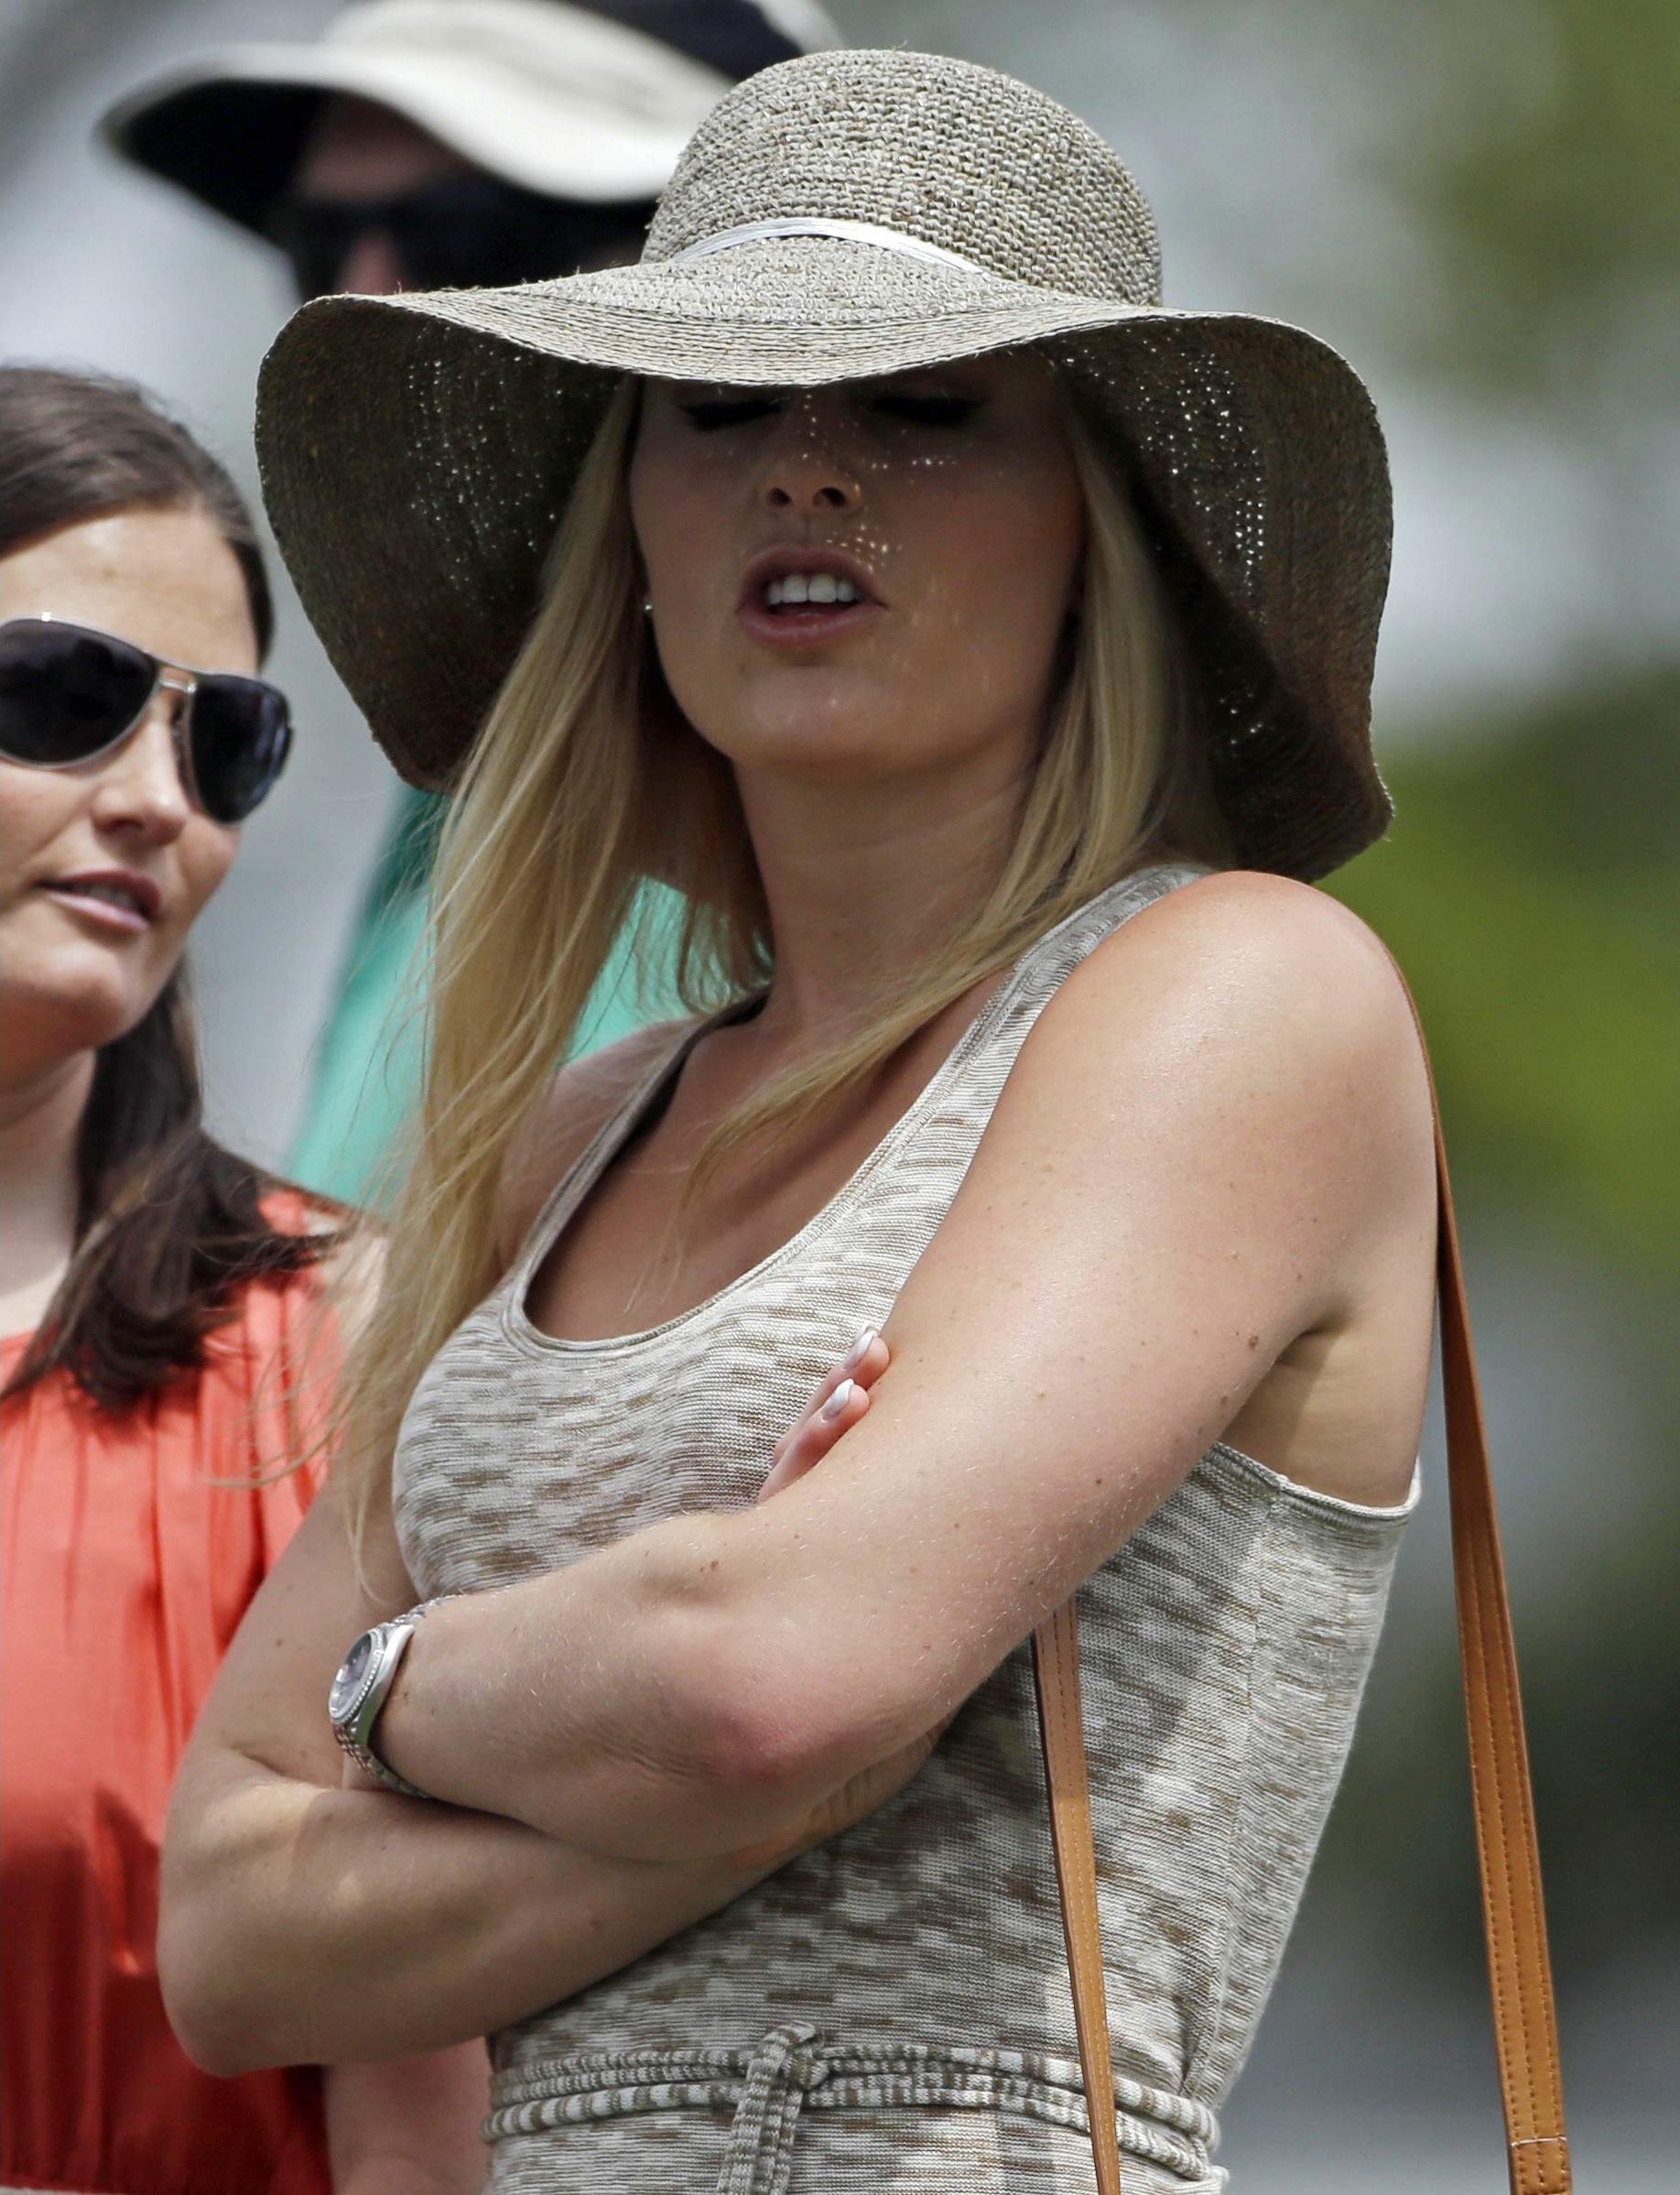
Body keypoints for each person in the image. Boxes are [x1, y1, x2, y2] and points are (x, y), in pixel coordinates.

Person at [160, 49, 1438, 2192]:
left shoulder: (1229, 993)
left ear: (1096, 525)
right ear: (631, 524)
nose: (807, 476)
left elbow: (770, 1675)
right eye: (722, 413)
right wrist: (708, 1715)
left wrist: (386, 1698)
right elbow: (224, 1930)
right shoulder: (559, 1137)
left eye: (926, 410)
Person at [103, 0, 841, 1204]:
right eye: (317, 238)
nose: (358, 302)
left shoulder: (853, 770)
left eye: (466, 234)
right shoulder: (468, 738)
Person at [0, 366, 486, 2195]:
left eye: (224, 746)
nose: (152, 802)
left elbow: (419, 2116)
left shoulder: (336, 1352)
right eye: (62, 696)